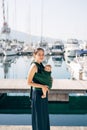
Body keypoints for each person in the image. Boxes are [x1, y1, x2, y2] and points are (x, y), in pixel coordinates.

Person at [27, 48, 50, 130]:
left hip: (43, 95)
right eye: (39, 54)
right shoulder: (34, 66)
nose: (41, 56)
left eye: (43, 54)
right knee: (39, 119)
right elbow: (29, 82)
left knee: (43, 117)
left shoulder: (41, 65)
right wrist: (42, 86)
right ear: (34, 55)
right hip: (37, 95)